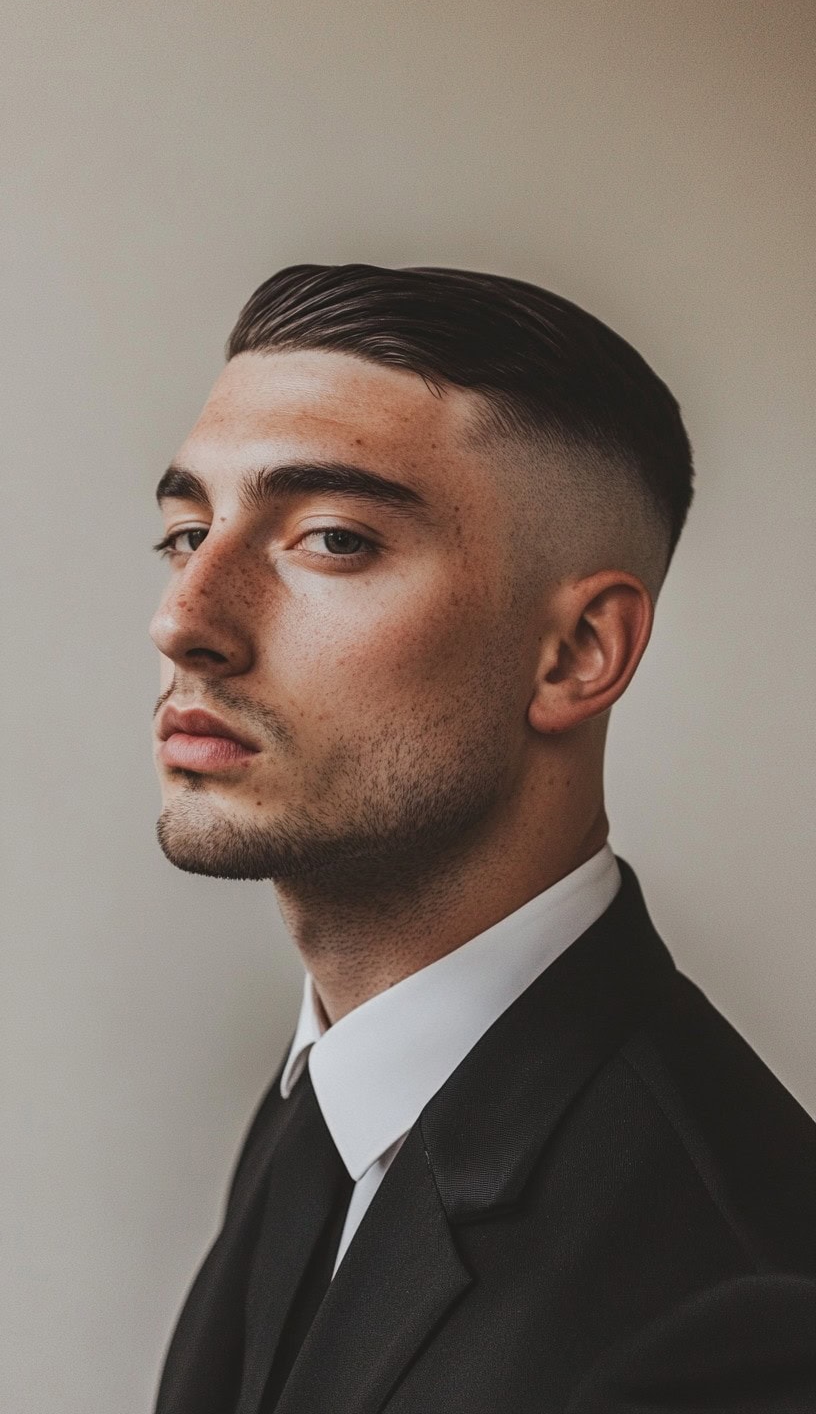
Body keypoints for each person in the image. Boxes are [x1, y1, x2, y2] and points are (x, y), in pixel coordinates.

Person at [149, 264, 816, 1414]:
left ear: (575, 653)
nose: (185, 618)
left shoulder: (738, 1300)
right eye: (187, 530)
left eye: (333, 538)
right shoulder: (334, 1098)